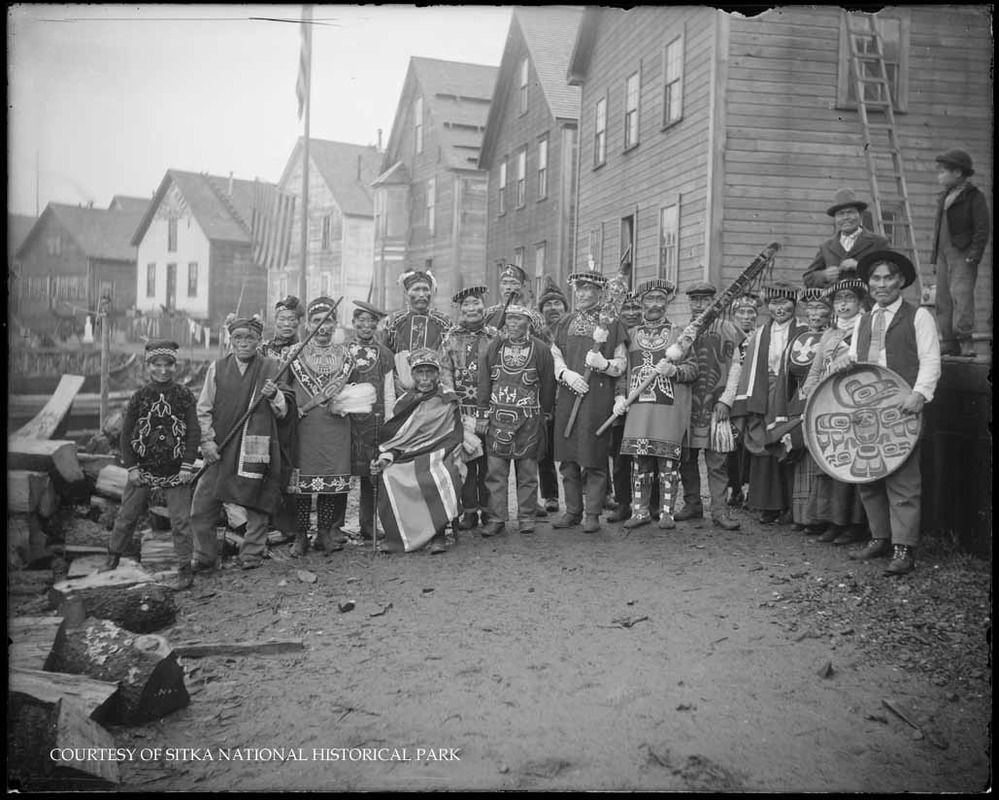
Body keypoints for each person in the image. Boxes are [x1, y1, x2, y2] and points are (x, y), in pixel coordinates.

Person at [847, 250, 941, 576]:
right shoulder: (864, 319)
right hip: (867, 409)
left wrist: (920, 394)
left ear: (900, 281)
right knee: (869, 475)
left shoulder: (918, 317)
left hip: (902, 407)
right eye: (876, 278)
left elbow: (930, 360)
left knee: (903, 478)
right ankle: (880, 538)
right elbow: (855, 358)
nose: (882, 284)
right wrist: (843, 361)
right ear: (868, 283)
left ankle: (904, 548)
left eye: (888, 278)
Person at [191, 317, 294, 571]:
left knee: (258, 500)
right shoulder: (217, 368)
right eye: (238, 337)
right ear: (231, 340)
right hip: (222, 445)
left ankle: (251, 553)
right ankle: (204, 555)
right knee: (203, 504)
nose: (244, 343)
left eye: (249, 338)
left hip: (256, 445)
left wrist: (275, 395)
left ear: (259, 341)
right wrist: (207, 442)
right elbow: (203, 409)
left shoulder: (273, 367)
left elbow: (286, 410)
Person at [99, 341, 200, 591]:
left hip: (177, 469)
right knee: (127, 515)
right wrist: (132, 468)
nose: (163, 370)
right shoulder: (139, 397)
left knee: (180, 521)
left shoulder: (184, 395)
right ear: (148, 366)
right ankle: (112, 558)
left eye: (168, 364)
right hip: (143, 467)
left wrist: (187, 465)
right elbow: (126, 436)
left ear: (175, 366)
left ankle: (185, 569)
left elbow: (193, 432)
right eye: (157, 364)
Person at [610, 279, 697, 530]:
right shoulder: (631, 335)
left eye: (660, 298)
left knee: (668, 463)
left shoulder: (679, 334)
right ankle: (641, 512)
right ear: (641, 302)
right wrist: (619, 396)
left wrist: (674, 371)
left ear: (667, 301)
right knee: (640, 462)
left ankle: (667, 512)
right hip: (638, 409)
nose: (655, 304)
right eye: (650, 299)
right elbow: (622, 372)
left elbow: (693, 369)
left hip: (668, 409)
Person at [550, 269, 629, 533]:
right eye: (580, 289)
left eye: (589, 289)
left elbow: (621, 364)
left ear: (599, 293)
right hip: (569, 394)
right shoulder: (565, 321)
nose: (583, 294)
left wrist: (604, 364)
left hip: (597, 397)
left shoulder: (613, 323)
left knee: (594, 457)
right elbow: (555, 354)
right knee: (568, 458)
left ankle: (593, 513)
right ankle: (573, 510)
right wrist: (566, 374)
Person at [370, 349, 466, 554]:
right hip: (407, 457)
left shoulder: (447, 399)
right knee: (389, 474)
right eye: (420, 372)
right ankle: (399, 536)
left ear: (437, 374)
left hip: (441, 453)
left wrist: (440, 454)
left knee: (439, 475)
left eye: (429, 372)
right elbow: (395, 440)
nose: (425, 378)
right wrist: (386, 458)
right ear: (413, 375)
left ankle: (438, 535)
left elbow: (453, 435)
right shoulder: (404, 402)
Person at [475, 305, 556, 536]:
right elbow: (484, 382)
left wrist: (545, 413)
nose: (512, 323)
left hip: (528, 420)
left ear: (528, 322)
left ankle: (527, 517)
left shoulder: (540, 349)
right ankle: (496, 518)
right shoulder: (494, 347)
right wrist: (482, 414)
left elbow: (548, 384)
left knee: (528, 473)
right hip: (497, 418)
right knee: (495, 473)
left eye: (518, 318)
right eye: (509, 318)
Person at [800, 271, 869, 546]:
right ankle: (830, 521)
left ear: (859, 302)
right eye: (838, 300)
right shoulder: (830, 333)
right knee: (829, 462)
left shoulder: (866, 328)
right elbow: (816, 369)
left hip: (853, 405)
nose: (843, 304)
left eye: (848, 299)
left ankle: (853, 525)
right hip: (827, 405)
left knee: (852, 462)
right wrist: (809, 392)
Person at [285, 297, 357, 558]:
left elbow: (353, 388)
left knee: (330, 478)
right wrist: (292, 408)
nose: (323, 326)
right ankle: (300, 535)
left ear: (335, 324)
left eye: (328, 321)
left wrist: (347, 401)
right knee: (301, 483)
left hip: (335, 425)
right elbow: (283, 388)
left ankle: (324, 533)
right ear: (307, 324)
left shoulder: (346, 356)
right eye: (317, 321)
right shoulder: (294, 354)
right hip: (304, 424)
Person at [731, 281, 807, 525]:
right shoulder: (760, 334)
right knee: (765, 445)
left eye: (784, 302)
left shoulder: (804, 331)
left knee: (789, 443)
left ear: (794, 304)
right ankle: (767, 505)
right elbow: (750, 369)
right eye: (774, 303)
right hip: (765, 393)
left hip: (791, 394)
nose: (779, 308)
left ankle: (792, 506)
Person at [674, 281, 744, 531]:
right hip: (688, 404)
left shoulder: (729, 329)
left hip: (716, 403)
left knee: (717, 461)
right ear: (689, 302)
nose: (700, 304)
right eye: (695, 300)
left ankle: (719, 510)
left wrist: (726, 400)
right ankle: (692, 504)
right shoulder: (682, 332)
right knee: (687, 458)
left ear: (714, 301)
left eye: (705, 299)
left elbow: (736, 366)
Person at [440, 285, 499, 532]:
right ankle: (469, 512)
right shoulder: (451, 336)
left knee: (488, 463)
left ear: (484, 306)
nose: (472, 309)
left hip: (489, 408)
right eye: (467, 304)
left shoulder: (495, 336)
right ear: (460, 309)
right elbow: (445, 369)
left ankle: (489, 511)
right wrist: (451, 399)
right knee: (465, 461)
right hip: (461, 408)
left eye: (476, 303)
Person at [930, 149, 990, 358]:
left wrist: (974, 253)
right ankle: (949, 341)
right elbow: (938, 229)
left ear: (957, 172)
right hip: (943, 255)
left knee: (961, 297)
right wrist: (934, 257)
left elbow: (982, 228)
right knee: (942, 298)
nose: (939, 176)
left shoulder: (974, 196)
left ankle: (965, 340)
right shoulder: (944, 197)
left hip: (962, 254)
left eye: (942, 172)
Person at [782, 288, 833, 534]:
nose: (815, 313)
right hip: (799, 399)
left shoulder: (835, 337)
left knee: (820, 458)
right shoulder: (799, 338)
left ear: (829, 310)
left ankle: (820, 517)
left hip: (825, 400)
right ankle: (801, 514)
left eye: (821, 307)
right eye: (811, 308)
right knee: (799, 455)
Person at [347, 300, 396, 541]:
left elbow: (389, 390)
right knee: (342, 471)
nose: (366, 326)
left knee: (372, 474)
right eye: (361, 321)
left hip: (374, 422)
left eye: (371, 321)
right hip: (347, 421)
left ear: (376, 325)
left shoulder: (385, 354)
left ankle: (368, 524)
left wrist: (389, 419)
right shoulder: (343, 352)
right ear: (353, 322)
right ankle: (333, 527)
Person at [606, 293, 653, 524]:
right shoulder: (612, 334)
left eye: (636, 308)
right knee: (620, 456)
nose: (632, 313)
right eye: (626, 308)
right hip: (619, 404)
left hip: (647, 403)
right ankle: (623, 503)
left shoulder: (649, 334)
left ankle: (652, 503)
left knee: (648, 454)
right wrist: (619, 396)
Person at [384, 269, 455, 393]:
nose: (421, 294)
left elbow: (450, 359)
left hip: (437, 389)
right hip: (401, 389)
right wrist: (394, 382)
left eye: (425, 289)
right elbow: (386, 356)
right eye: (416, 289)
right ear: (406, 293)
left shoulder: (444, 323)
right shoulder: (393, 322)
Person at [803, 188, 890, 289]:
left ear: (860, 215)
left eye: (850, 212)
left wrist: (859, 266)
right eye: (841, 214)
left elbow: (893, 272)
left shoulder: (878, 243)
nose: (846, 217)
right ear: (835, 219)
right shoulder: (826, 247)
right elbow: (808, 278)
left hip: (868, 298)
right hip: (835, 298)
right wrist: (824, 275)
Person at [535, 276, 569, 514]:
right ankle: (550, 495)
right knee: (544, 449)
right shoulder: (537, 335)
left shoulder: (574, 329)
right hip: (544, 396)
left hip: (571, 394)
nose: (553, 308)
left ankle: (599, 492)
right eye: (548, 304)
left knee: (578, 444)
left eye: (558, 303)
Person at [726, 293, 760, 507]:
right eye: (742, 312)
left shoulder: (760, 336)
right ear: (734, 315)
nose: (746, 317)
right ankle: (734, 488)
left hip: (753, 394)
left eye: (751, 312)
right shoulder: (728, 335)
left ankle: (750, 488)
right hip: (731, 395)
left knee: (752, 442)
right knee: (732, 443)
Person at [484, 262, 546, 337]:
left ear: (522, 286)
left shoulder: (534, 316)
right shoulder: (490, 313)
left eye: (513, 283)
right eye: (504, 283)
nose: (508, 287)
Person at [260, 296, 304, 361]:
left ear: (299, 322)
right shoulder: (265, 349)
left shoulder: (305, 349)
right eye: (282, 319)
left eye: (291, 319)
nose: (286, 324)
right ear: (275, 321)